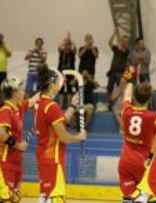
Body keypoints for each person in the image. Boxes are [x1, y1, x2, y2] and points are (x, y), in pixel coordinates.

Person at [35, 65, 86, 202]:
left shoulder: (40, 104)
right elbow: (64, 137)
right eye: (58, 82)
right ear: (52, 85)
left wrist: (73, 105)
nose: (60, 85)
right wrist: (79, 137)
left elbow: (60, 122)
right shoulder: (53, 107)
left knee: (45, 196)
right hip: (53, 159)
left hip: (44, 157)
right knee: (56, 198)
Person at [0, 77, 38, 202]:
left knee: (15, 198)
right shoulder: (6, 110)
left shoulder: (19, 107)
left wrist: (51, 86)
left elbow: (34, 99)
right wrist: (17, 145)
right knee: (7, 198)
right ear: (14, 92)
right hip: (6, 162)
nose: (23, 91)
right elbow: (1, 133)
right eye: (21, 89)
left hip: (16, 162)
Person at [118, 82, 156, 202]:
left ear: (134, 97)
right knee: (149, 198)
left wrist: (130, 82)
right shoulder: (154, 116)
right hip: (144, 163)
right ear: (149, 98)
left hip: (126, 161)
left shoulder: (126, 111)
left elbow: (126, 96)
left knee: (128, 198)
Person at [107, 30, 129, 97]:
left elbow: (123, 49)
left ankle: (120, 102)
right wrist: (113, 34)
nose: (123, 42)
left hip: (120, 72)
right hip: (113, 71)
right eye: (123, 41)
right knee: (109, 88)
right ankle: (110, 102)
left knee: (120, 87)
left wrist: (120, 39)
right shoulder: (116, 49)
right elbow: (110, 43)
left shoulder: (127, 51)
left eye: (125, 41)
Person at [57, 32, 77, 108]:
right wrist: (64, 40)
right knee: (61, 91)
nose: (66, 46)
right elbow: (59, 46)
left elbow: (75, 46)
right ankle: (60, 106)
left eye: (68, 44)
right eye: (66, 44)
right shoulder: (61, 52)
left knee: (69, 91)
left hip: (70, 74)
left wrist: (70, 39)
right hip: (61, 74)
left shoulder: (72, 53)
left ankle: (69, 107)